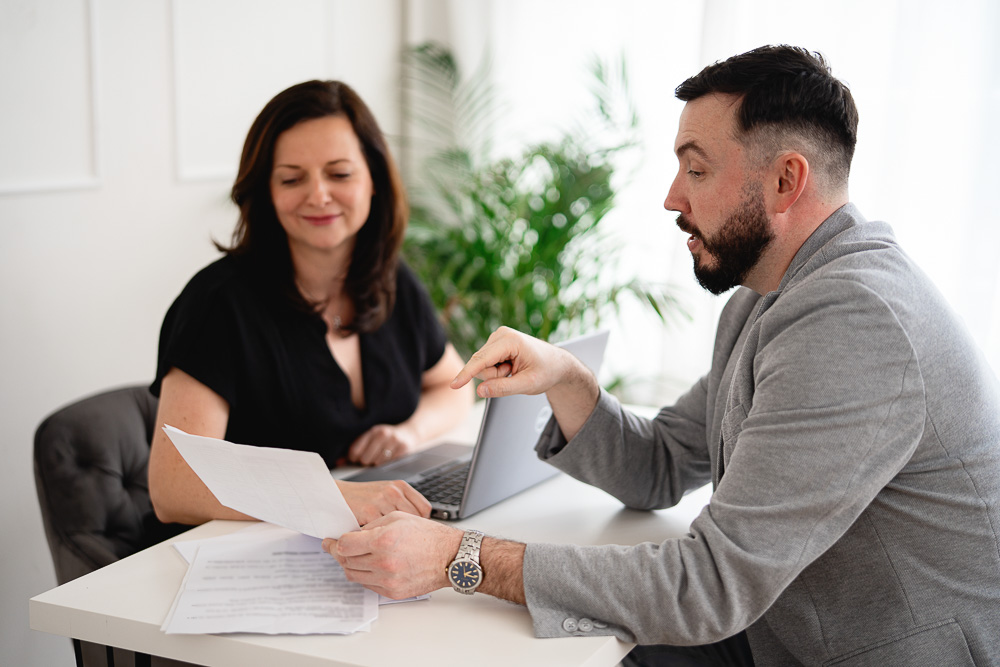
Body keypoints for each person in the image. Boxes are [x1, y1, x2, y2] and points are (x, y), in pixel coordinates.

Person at [321, 46, 1000, 665]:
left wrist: (458, 556)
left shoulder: (856, 321)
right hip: (781, 627)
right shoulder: (772, 296)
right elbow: (663, 464)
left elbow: (707, 585)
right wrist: (569, 378)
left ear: (786, 181)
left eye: (696, 168)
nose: (673, 197)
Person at [148, 80, 473, 529]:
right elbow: (174, 487)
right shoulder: (217, 304)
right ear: (266, 191)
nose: (318, 195)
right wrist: (339, 497)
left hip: (361, 541)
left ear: (374, 180)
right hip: (240, 553)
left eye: (339, 174)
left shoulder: (391, 279)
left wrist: (408, 433)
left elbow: (453, 388)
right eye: (292, 178)